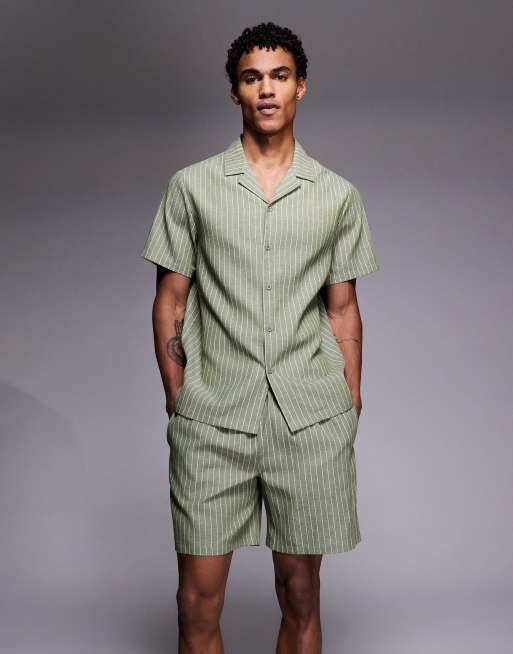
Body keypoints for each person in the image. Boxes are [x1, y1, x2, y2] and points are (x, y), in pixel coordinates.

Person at [140, 20, 379, 654]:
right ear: (235, 92)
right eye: (252, 78)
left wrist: (349, 397)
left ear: (301, 87)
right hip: (214, 416)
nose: (266, 89)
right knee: (197, 601)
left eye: (279, 76)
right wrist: (179, 395)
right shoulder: (192, 186)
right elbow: (169, 301)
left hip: (308, 418)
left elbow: (344, 309)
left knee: (301, 592)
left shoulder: (337, 196)